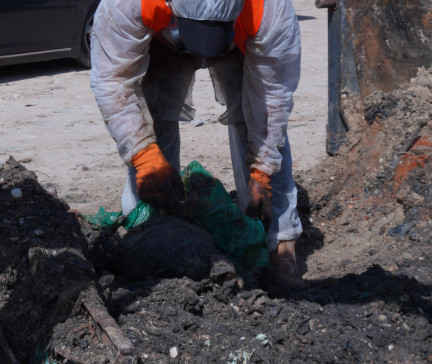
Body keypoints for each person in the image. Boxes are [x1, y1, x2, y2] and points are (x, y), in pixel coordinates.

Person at [89, 0, 305, 291]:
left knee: (259, 122)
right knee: (151, 118)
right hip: (161, 39)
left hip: (242, 42)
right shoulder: (127, 4)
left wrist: (263, 168)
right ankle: (151, 231)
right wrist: (143, 155)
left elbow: (273, 96)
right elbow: (112, 79)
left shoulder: (269, 9)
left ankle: (280, 246)